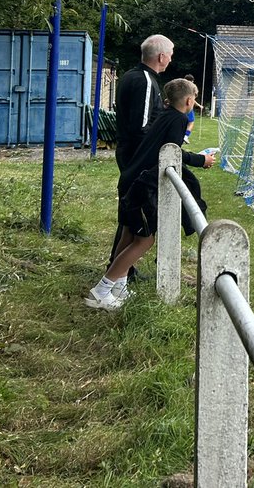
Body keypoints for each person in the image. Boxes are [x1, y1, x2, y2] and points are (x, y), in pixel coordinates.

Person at [90, 79, 215, 310]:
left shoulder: (166, 115)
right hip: (143, 185)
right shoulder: (178, 119)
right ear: (189, 101)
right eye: (194, 99)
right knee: (145, 240)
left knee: (128, 235)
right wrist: (201, 160)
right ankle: (102, 290)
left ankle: (119, 284)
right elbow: (173, 153)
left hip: (132, 179)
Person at [114, 34, 173, 171]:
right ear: (161, 57)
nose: (171, 59)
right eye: (170, 55)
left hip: (126, 150)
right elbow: (141, 127)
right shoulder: (145, 81)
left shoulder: (130, 75)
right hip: (138, 155)